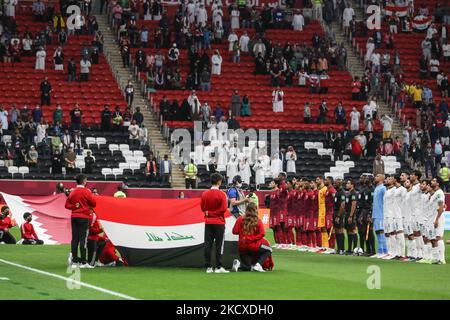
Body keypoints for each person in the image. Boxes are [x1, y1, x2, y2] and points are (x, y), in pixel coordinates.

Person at [65, 174, 96, 268]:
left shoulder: (73, 192)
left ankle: (74, 261)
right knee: (83, 239)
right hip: (83, 217)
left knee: (75, 239)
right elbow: (94, 203)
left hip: (74, 216)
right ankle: (83, 262)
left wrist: (75, 206)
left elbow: (66, 205)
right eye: (86, 180)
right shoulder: (87, 191)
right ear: (84, 181)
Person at [231, 203, 273, 272]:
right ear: (255, 210)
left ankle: (238, 265)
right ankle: (258, 265)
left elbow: (234, 231)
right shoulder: (257, 220)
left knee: (247, 267)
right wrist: (252, 238)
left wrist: (242, 233)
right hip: (254, 246)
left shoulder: (240, 219)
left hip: (242, 247)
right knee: (269, 250)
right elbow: (262, 233)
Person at [200, 173, 229, 273]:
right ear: (219, 182)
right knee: (219, 245)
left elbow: (203, 208)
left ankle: (208, 266)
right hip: (219, 222)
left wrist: (209, 213)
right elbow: (223, 209)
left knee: (208, 244)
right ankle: (218, 267)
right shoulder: (222, 194)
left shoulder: (204, 194)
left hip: (208, 222)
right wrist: (214, 213)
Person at [372, 173, 388, 258]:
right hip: (376, 214)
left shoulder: (383, 188)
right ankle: (380, 251)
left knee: (382, 232)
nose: (375, 177)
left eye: (377, 176)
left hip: (381, 214)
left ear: (382, 179)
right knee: (377, 232)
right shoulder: (376, 188)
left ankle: (385, 251)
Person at [344, 179, 358, 254]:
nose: (347, 184)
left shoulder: (353, 193)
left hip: (351, 214)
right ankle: (349, 249)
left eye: (348, 183)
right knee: (348, 231)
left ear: (352, 185)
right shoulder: (348, 193)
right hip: (347, 213)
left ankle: (355, 249)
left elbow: (354, 204)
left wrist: (351, 215)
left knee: (353, 230)